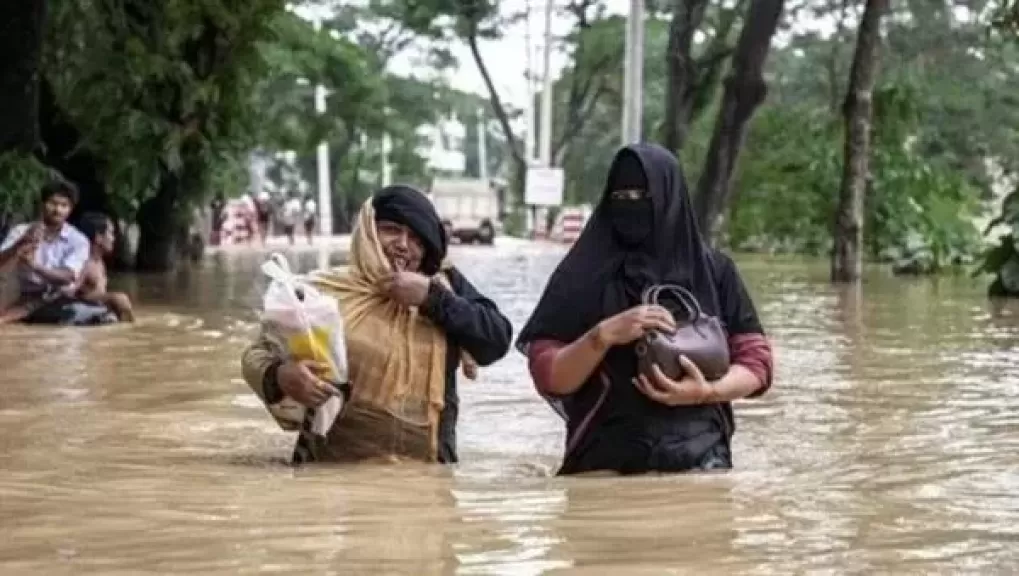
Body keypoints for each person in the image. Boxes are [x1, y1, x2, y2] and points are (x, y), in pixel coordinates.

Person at [516, 144, 774, 475]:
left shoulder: (715, 272)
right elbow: (549, 376)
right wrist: (602, 336)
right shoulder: (581, 276)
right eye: (622, 197)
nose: (632, 205)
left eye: (643, 196)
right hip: (604, 465)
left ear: (671, 197)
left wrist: (706, 392)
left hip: (703, 463)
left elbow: (758, 365)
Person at [241, 185, 513, 465]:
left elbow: (497, 340)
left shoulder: (443, 288)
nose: (403, 244)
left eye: (417, 240)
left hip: (427, 480)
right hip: (329, 476)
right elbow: (256, 355)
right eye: (391, 229)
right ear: (368, 232)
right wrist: (282, 376)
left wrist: (431, 299)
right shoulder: (321, 294)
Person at [0, 180, 90, 324]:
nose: (57, 210)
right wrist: (21, 242)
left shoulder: (78, 240)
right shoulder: (21, 231)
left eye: (64, 205)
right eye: (53, 203)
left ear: (70, 209)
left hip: (57, 296)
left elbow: (67, 277)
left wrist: (34, 266)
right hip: (22, 293)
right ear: (42, 204)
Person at [64, 212, 135, 322]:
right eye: (111, 233)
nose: (113, 238)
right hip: (86, 312)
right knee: (120, 298)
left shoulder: (99, 261)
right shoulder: (85, 263)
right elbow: (68, 292)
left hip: (99, 311)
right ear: (98, 237)